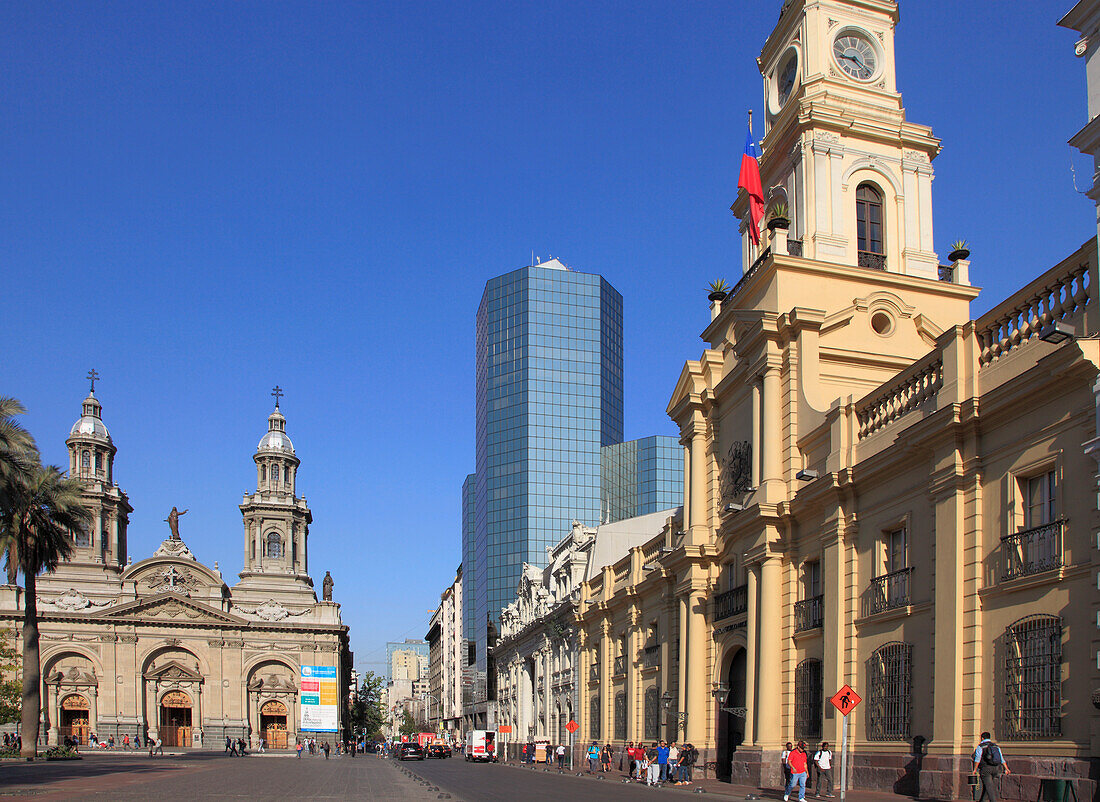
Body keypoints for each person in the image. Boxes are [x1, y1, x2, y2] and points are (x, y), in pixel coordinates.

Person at [972, 731, 1010, 802]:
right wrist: (1006, 768)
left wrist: (975, 769)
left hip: (986, 769)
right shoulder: (995, 746)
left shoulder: (980, 746)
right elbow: (1001, 758)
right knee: (987, 786)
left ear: (982, 738)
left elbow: (977, 759)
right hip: (996, 768)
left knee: (989, 788)